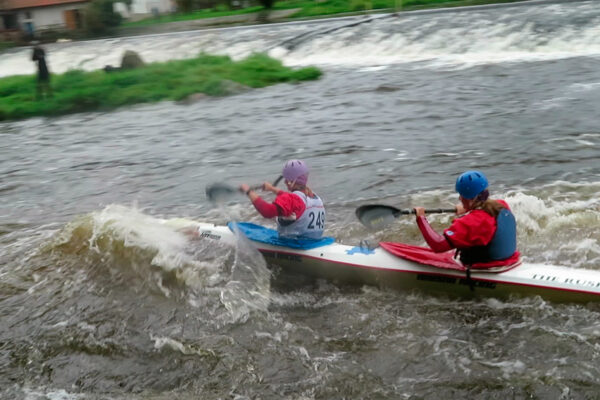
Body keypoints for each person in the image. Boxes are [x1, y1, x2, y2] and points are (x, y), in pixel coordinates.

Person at [413, 170, 519, 267]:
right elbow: (485, 214)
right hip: (510, 260)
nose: (459, 198)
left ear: (469, 199)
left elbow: (438, 245)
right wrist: (468, 208)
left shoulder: (470, 222)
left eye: (461, 195)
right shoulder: (501, 205)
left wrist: (421, 219)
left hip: (487, 267)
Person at [239, 160, 325, 239]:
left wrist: (248, 192)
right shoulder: (314, 196)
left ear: (292, 181)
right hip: (314, 241)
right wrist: (272, 189)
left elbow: (267, 212)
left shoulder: (294, 199)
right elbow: (291, 199)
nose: (285, 182)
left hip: (297, 245)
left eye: (287, 179)